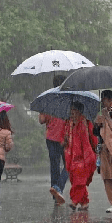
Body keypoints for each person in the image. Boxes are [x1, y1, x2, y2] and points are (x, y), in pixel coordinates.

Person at [62, 102, 98, 211]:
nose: (72, 112)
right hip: (72, 156)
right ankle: (84, 202)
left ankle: (75, 201)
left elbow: (94, 138)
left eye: (74, 110)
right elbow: (63, 140)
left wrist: (97, 149)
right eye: (71, 110)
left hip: (84, 157)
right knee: (75, 179)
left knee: (80, 180)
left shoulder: (86, 123)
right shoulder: (68, 124)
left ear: (79, 111)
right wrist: (65, 140)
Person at [40, 74, 68, 205]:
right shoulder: (67, 100)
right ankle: (58, 188)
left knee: (54, 166)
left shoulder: (47, 99)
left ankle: (55, 192)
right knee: (68, 165)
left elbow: (41, 120)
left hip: (50, 138)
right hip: (64, 137)